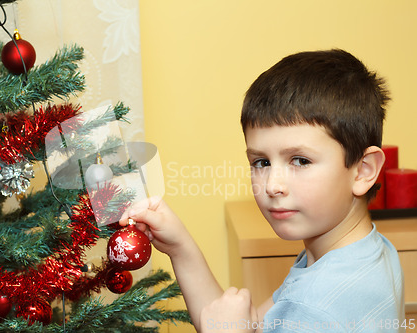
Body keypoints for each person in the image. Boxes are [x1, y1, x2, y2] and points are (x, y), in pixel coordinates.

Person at [119, 49, 404, 332]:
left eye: (301, 161)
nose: (272, 185)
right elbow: (254, 326)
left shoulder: (316, 308)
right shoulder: (357, 253)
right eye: (262, 162)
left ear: (364, 170)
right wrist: (181, 249)